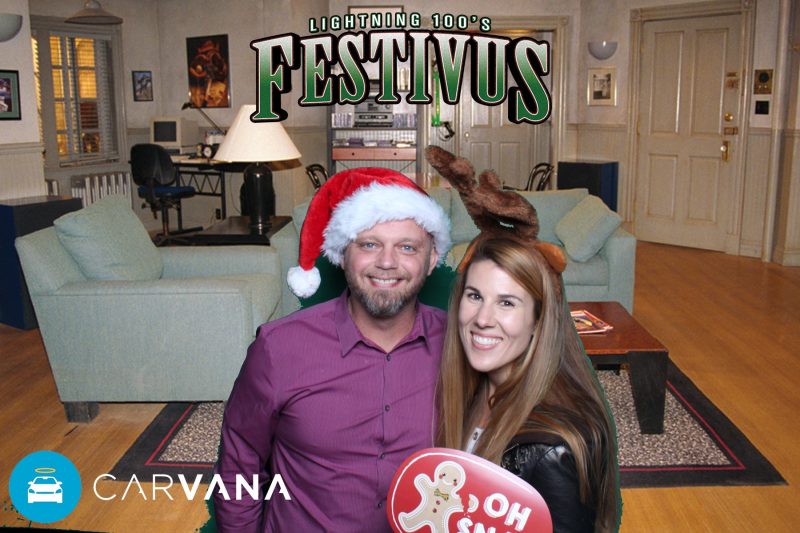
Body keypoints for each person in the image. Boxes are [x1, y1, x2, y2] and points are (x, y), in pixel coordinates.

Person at [213, 168, 452, 532]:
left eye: (407, 247)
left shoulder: (458, 345)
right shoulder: (279, 348)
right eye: (369, 244)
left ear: (432, 258)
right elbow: (239, 468)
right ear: (341, 254)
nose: (387, 262)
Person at [436, 236, 621, 532]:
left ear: (538, 320)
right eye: (474, 296)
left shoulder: (554, 448)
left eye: (506, 303)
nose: (483, 319)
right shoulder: (473, 390)